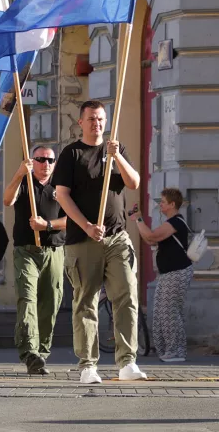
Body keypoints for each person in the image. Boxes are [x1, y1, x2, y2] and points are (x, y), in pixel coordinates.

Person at [53, 100, 145, 384]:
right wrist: (86, 226)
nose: (97, 123)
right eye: (92, 119)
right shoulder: (72, 154)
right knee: (86, 301)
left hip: (117, 237)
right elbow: (62, 195)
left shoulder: (116, 149)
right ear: (81, 122)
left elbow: (134, 183)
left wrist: (118, 158)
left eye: (101, 119)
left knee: (126, 295)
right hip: (83, 240)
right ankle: (88, 365)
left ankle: (127, 362)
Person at [3, 146, 67, 375]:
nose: (45, 164)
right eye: (40, 159)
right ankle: (29, 352)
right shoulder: (24, 182)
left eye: (50, 160)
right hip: (26, 251)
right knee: (28, 298)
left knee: (50, 302)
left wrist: (47, 225)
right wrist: (19, 173)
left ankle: (41, 352)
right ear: (33, 161)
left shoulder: (61, 186)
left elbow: (73, 218)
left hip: (53, 250)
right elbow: (7, 200)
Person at [130, 188, 193, 363]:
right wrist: (138, 220)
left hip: (177, 272)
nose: (160, 205)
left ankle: (176, 351)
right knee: (159, 311)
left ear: (173, 205)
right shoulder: (169, 223)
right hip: (168, 274)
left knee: (169, 312)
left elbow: (150, 235)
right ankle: (166, 349)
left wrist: (139, 219)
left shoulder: (175, 222)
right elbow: (150, 239)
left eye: (163, 202)